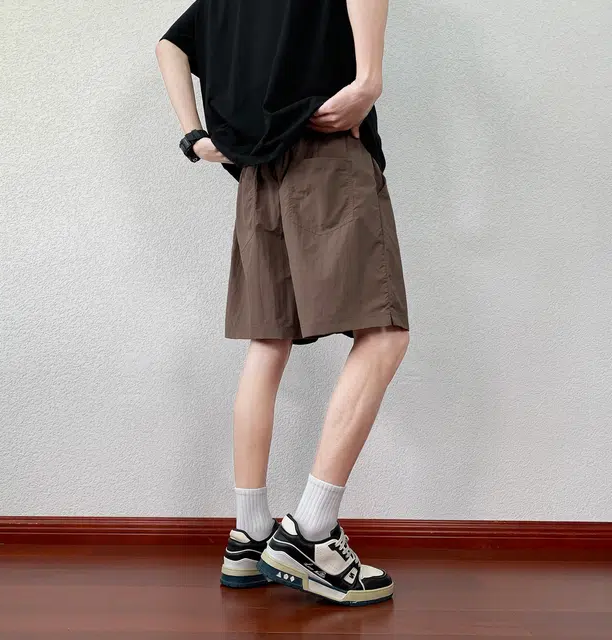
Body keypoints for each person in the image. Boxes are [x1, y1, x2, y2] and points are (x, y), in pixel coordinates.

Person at [156, 0, 410, 606]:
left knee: (268, 342)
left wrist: (194, 135)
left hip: (257, 174)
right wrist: (368, 80)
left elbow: (171, 44)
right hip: (326, 159)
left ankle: (249, 535)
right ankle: (312, 532)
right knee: (384, 334)